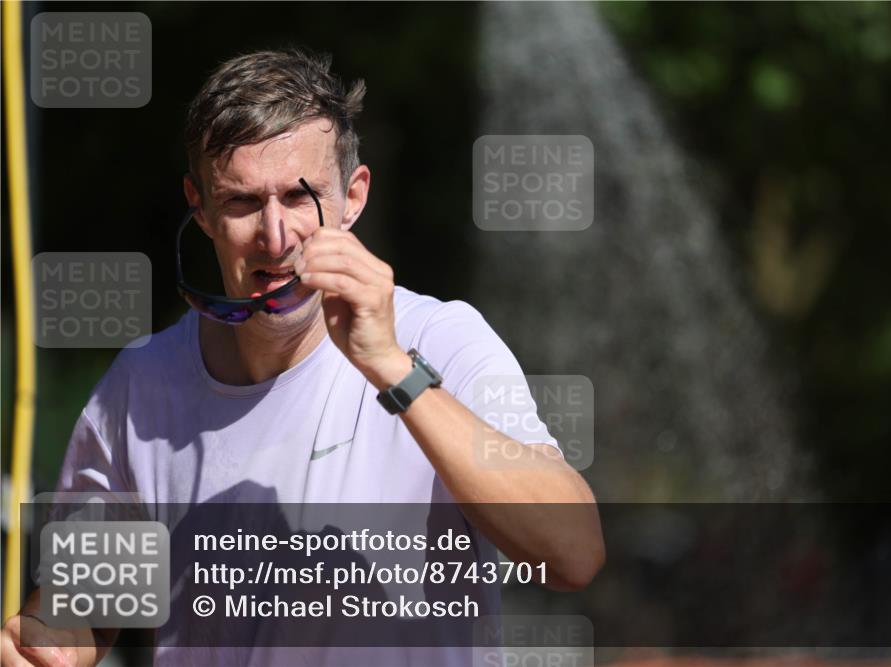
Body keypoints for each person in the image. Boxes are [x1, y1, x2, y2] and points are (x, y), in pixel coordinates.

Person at [1, 48, 603, 666]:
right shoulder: (142, 386)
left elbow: (572, 553)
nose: (276, 235)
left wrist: (393, 368)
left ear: (353, 195)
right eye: (241, 202)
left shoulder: (444, 341)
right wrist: (42, 646)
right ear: (200, 207)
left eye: (299, 195)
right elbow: (82, 613)